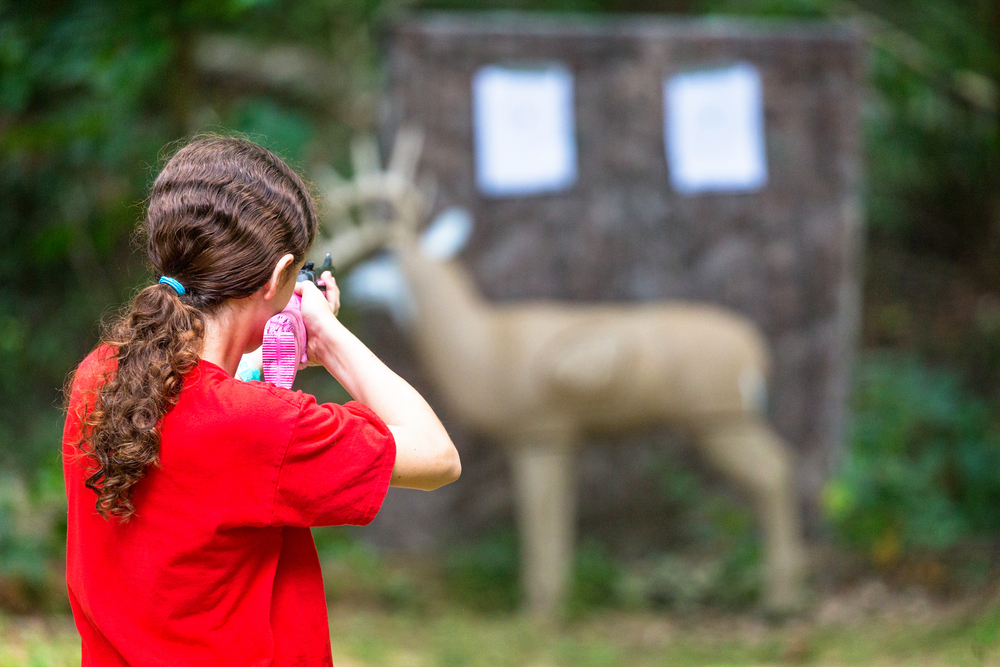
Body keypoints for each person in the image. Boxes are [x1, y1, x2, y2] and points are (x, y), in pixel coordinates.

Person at [61, 136, 461, 666]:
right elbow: (438, 456)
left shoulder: (102, 374)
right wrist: (326, 335)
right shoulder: (264, 427)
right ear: (279, 275)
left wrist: (277, 350)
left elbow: (207, 411)